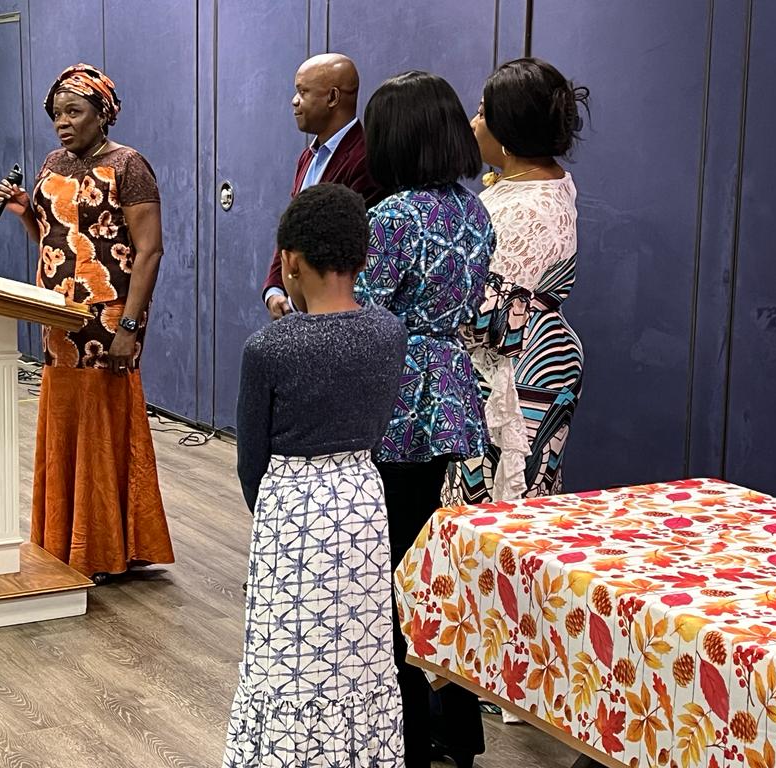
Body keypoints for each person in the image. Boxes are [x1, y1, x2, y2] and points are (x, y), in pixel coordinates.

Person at [224, 183, 407, 767]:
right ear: (362, 258)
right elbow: (378, 425)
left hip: (291, 509)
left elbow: (250, 461)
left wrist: (274, 506)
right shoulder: (389, 333)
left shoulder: (268, 348)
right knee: (359, 654)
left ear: (291, 262)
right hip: (362, 501)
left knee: (286, 657)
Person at [354, 71, 494, 768]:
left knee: (390, 571)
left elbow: (364, 310)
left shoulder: (392, 217)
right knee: (426, 558)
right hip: (449, 385)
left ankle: (405, 734)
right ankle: (457, 728)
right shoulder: (475, 211)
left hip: (396, 387)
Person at [0, 63, 174, 583]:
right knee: (66, 420)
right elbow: (51, 237)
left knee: (101, 425)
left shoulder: (129, 165)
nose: (62, 123)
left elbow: (149, 251)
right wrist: (25, 211)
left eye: (74, 112)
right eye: (57, 114)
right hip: (57, 317)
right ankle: (66, 538)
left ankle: (104, 547)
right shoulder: (54, 162)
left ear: (103, 114)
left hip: (109, 319)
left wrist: (130, 327)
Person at [443, 58, 589, 509]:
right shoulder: (534, 183)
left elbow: (489, 310)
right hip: (521, 359)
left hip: (515, 369)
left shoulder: (529, 207)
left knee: (499, 505)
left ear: (507, 130)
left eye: (482, 112)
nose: (473, 123)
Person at [262, 53, 381, 319]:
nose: (294, 101)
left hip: (330, 315)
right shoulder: (308, 157)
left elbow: (352, 249)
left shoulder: (363, 160)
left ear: (332, 97)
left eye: (303, 92)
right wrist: (274, 289)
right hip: (298, 312)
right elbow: (291, 230)